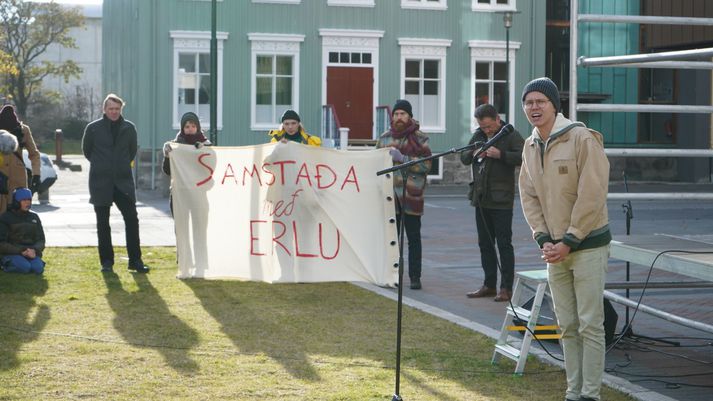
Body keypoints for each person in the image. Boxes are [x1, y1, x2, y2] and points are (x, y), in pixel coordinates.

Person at [518, 77, 611, 401]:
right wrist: (543, 239)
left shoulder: (581, 138)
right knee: (566, 325)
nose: (533, 107)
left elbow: (593, 192)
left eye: (540, 101)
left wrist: (569, 240)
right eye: (528, 102)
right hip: (554, 251)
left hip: (587, 247)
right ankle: (573, 392)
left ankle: (591, 393)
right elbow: (529, 195)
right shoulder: (530, 145)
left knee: (590, 324)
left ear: (554, 105)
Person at [461, 104, 524, 302]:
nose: (486, 130)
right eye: (482, 127)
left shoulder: (510, 134)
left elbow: (524, 157)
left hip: (501, 200)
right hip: (481, 198)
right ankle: (489, 285)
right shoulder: (479, 135)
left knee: (504, 245)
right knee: (485, 244)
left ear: (498, 119)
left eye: (488, 126)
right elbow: (463, 157)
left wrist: (501, 155)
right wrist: (473, 153)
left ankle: (506, 288)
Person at [82, 93, 148, 273]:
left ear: (121, 109)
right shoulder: (93, 128)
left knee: (132, 220)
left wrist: (119, 165)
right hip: (100, 182)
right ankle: (107, 263)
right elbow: (87, 152)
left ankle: (135, 261)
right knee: (103, 223)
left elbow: (132, 151)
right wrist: (102, 165)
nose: (114, 112)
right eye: (111, 108)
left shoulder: (129, 128)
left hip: (123, 182)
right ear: (104, 109)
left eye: (117, 109)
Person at [376, 99, 432, 290]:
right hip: (390, 195)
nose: (399, 117)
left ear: (409, 116)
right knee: (391, 238)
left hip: (411, 195)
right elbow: (376, 164)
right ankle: (392, 276)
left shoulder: (420, 138)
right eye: (396, 114)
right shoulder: (384, 138)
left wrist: (404, 159)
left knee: (413, 238)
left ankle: (415, 276)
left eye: (403, 114)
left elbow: (427, 164)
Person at [162, 111, 212, 214]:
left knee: (199, 228)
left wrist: (202, 152)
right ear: (182, 129)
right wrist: (167, 156)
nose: (190, 129)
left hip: (199, 195)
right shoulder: (175, 146)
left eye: (193, 126)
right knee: (181, 228)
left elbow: (211, 168)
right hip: (180, 195)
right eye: (187, 126)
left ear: (197, 127)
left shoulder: (206, 145)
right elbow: (167, 171)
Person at [0, 105, 41, 214]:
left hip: (18, 177)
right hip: (1, 175)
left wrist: (36, 174)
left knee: (19, 212)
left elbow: (34, 154)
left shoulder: (23, 130)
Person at [0, 187, 45, 274]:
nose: (27, 202)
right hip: (13, 253)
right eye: (24, 200)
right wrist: (21, 251)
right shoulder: (6, 218)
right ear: (16, 202)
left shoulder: (34, 217)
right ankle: (4, 263)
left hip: (31, 252)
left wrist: (34, 250)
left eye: (29, 200)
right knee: (25, 267)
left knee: (38, 269)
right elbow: (1, 243)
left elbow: (41, 240)